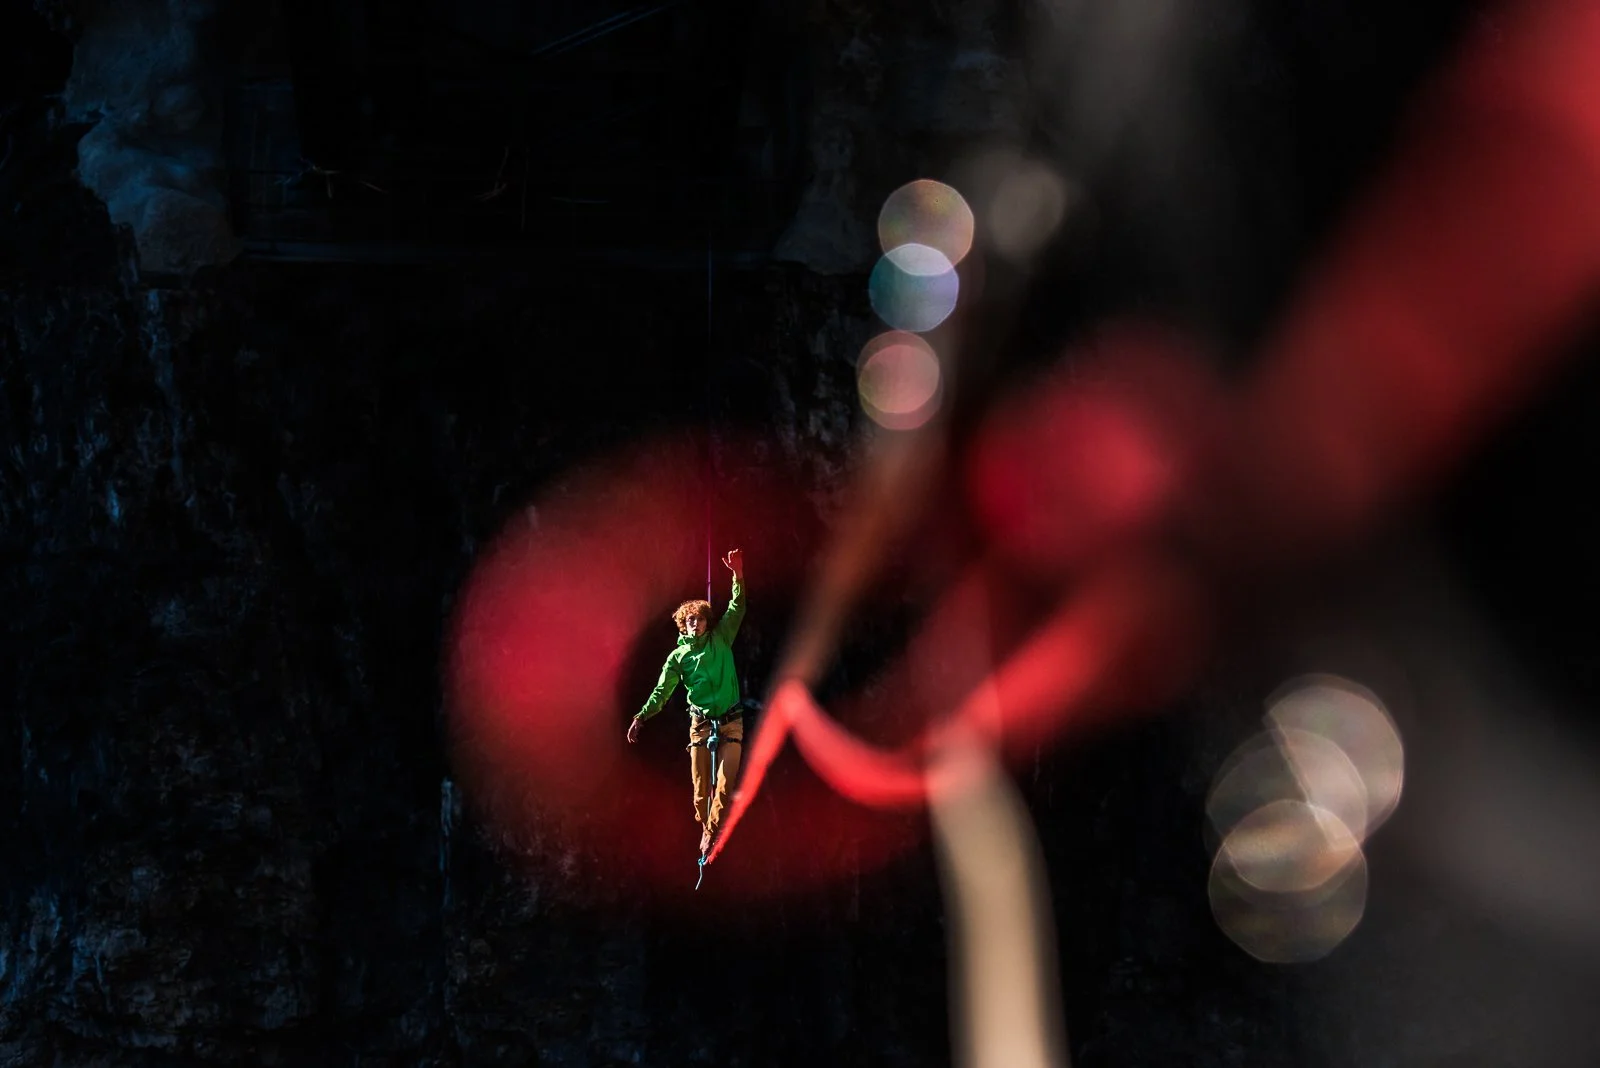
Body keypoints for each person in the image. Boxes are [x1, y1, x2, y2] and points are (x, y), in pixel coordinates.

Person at [627, 548, 747, 855]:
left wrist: (737, 574)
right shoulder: (678, 658)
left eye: (699, 619)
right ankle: (705, 822)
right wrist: (641, 717)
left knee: (724, 783)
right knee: (699, 794)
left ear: (707, 622)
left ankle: (711, 832)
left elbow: (737, 607)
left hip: (731, 721)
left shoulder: (721, 638)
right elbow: (661, 692)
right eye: (689, 620)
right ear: (684, 625)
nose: (694, 623)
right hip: (701, 725)